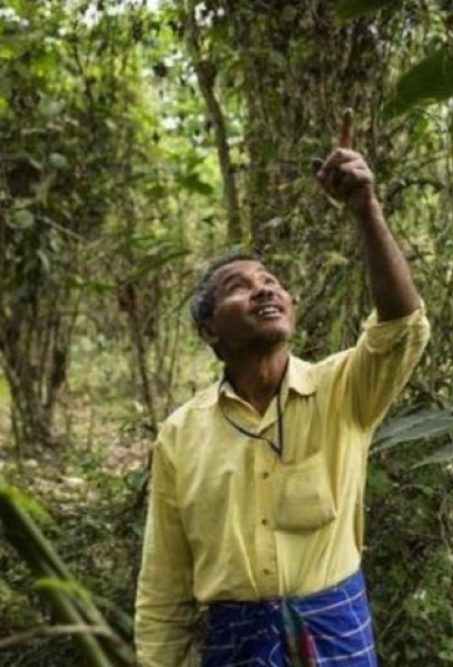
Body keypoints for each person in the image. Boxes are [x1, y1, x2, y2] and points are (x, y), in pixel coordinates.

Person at [133, 111, 429, 666]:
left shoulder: (343, 389)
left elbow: (400, 326)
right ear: (209, 331)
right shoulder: (181, 434)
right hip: (236, 642)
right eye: (238, 288)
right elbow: (165, 582)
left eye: (270, 282)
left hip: (336, 631)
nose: (263, 289)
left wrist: (365, 209)